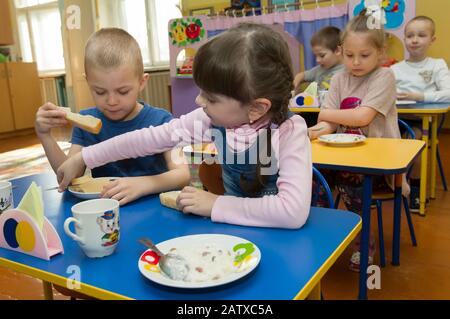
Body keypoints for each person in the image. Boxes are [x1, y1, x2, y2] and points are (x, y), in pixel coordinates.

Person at [57, 23, 312, 229]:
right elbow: (145, 140)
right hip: (234, 231)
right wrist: (86, 157)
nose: (198, 100)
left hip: (279, 241)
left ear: (256, 108)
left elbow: (291, 212)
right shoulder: (209, 118)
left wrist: (215, 205)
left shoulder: (290, 131)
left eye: (211, 98)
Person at [35, 28, 190, 206]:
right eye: (100, 92)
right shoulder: (86, 121)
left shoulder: (162, 120)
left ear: (142, 82)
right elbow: (69, 175)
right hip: (106, 215)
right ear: (88, 83)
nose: (112, 101)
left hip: (155, 207)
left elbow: (182, 174)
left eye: (123, 91)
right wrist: (45, 136)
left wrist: (143, 184)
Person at [309, 9, 406, 272]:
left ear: (380, 53)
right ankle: (322, 239)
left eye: (365, 55)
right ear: (341, 51)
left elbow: (363, 117)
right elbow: (327, 122)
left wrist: (325, 113)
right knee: (311, 178)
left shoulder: (384, 77)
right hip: (342, 156)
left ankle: (364, 244)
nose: (356, 62)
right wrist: (317, 129)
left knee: (352, 182)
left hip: (377, 161)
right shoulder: (339, 78)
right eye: (349, 55)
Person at [391, 16, 450, 211]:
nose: (414, 40)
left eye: (421, 35)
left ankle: (412, 186)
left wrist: (420, 95)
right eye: (409, 36)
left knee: (415, 141)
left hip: (421, 121)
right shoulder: (395, 68)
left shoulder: (436, 65)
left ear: (432, 39)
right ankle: (386, 182)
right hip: (394, 119)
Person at [293, 26, 344, 93]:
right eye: (315, 55)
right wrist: (295, 86)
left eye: (322, 55)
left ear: (337, 50)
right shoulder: (319, 69)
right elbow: (301, 75)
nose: (317, 60)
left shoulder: (347, 71)